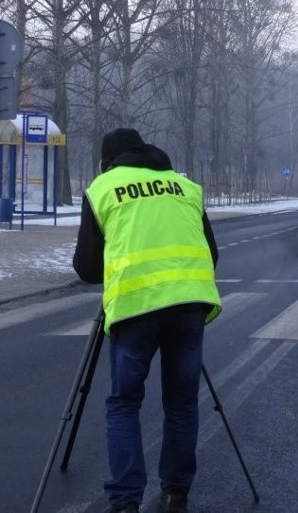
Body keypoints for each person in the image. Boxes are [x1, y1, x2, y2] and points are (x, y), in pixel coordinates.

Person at [73, 128, 222, 513]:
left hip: (135, 308)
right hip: (189, 304)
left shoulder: (104, 188)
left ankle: (125, 502)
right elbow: (212, 253)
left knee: (123, 402)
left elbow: (87, 268)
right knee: (182, 401)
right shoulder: (185, 187)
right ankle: (176, 492)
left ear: (107, 162)